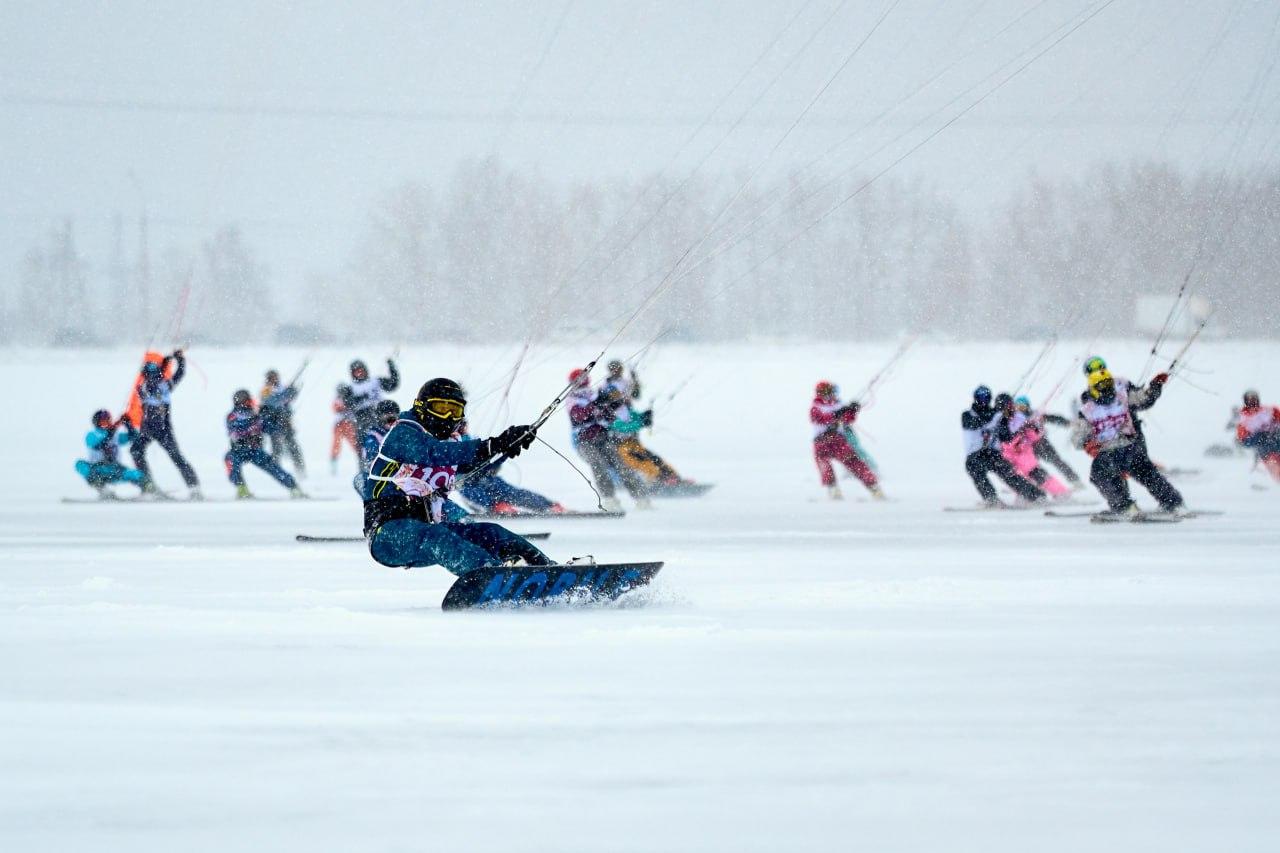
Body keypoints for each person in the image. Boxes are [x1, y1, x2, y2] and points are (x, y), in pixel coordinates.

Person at [363, 378, 552, 574]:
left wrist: (507, 446)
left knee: (491, 533)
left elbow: (475, 468)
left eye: (454, 410)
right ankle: (490, 575)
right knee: (438, 537)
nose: (447, 416)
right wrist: (491, 445)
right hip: (387, 534)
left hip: (426, 528)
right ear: (421, 407)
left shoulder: (452, 442)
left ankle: (549, 571)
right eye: (440, 408)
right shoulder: (403, 433)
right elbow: (434, 453)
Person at [1070, 368, 1183, 514]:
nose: (1107, 389)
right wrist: (1086, 443)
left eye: (1109, 385)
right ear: (1093, 388)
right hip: (1118, 450)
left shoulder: (1115, 400)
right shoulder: (1091, 409)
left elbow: (1143, 398)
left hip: (1121, 449)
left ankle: (1129, 506)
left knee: (1109, 475)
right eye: (1102, 386)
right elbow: (1077, 438)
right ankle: (1167, 503)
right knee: (1138, 473)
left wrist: (1155, 386)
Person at [567, 368, 650, 511]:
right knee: (598, 465)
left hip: (604, 439)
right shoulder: (571, 399)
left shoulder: (594, 394)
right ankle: (609, 499)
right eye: (579, 380)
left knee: (621, 466)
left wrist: (612, 404)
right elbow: (580, 415)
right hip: (584, 442)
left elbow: (610, 416)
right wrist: (597, 405)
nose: (582, 383)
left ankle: (641, 498)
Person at [129, 349, 202, 499]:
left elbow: (178, 375)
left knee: (175, 457)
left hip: (162, 430)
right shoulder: (147, 386)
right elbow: (177, 375)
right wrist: (173, 361)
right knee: (136, 451)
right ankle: (148, 486)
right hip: (149, 430)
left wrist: (178, 360)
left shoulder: (161, 385)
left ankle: (194, 489)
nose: (151, 377)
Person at [961, 385, 1044, 506]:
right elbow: (974, 424)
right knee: (975, 471)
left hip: (991, 452)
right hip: (975, 455)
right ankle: (991, 498)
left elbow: (1006, 436)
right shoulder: (968, 415)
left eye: (986, 397)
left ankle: (1036, 496)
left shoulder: (997, 415)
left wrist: (1006, 418)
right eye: (980, 397)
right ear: (975, 398)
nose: (983, 401)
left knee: (1009, 474)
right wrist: (995, 415)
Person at [225, 389, 306, 499]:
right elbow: (237, 431)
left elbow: (272, 430)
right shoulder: (233, 416)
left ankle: (294, 488)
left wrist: (274, 417)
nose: (246, 402)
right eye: (243, 400)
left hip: (255, 451)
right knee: (230, 460)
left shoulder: (257, 414)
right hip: (239, 451)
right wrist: (258, 419)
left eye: (246, 399)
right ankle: (242, 489)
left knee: (274, 468)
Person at [810, 381, 882, 500]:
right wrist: (837, 414)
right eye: (827, 392)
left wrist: (853, 410)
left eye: (832, 392)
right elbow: (821, 419)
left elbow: (848, 419)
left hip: (838, 441)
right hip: (821, 442)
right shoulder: (816, 407)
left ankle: (874, 488)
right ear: (820, 393)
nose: (830, 395)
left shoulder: (839, 405)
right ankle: (833, 490)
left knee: (855, 463)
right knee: (825, 466)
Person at [1000, 394, 1069, 498]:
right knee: (1015, 476)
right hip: (1008, 454)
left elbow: (1034, 436)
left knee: (1035, 472)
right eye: (1003, 407)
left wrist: (1030, 429)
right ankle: (1027, 496)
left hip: (1023, 452)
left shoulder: (1020, 418)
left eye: (1009, 406)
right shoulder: (998, 421)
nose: (1006, 409)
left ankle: (1060, 492)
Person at [75, 409, 149, 498]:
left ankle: (149, 491)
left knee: (136, 474)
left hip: (115, 469)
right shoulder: (92, 434)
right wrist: (110, 432)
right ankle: (102, 489)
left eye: (108, 420)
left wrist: (129, 425)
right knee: (79, 464)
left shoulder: (116, 435)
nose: (106, 423)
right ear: (97, 422)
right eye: (103, 421)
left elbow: (134, 437)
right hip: (97, 469)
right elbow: (98, 445)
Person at [1013, 395, 1081, 486]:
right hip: (1028, 448)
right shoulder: (1015, 419)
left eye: (1022, 406)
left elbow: (1052, 418)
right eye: (1017, 406)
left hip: (1042, 444)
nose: (1020, 408)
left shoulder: (1035, 415)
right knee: (1030, 468)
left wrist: (1067, 423)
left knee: (1056, 461)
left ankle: (1075, 481)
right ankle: (1030, 487)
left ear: (1027, 406)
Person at [259, 369, 305, 477]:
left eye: (275, 377)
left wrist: (293, 390)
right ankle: (277, 471)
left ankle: (300, 470)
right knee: (276, 449)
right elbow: (274, 401)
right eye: (271, 377)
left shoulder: (282, 388)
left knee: (293, 447)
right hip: (273, 423)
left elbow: (290, 397)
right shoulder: (265, 390)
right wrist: (286, 393)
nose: (274, 379)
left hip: (285, 422)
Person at [339, 357, 400, 437]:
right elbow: (348, 403)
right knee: (366, 424)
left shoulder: (375, 381)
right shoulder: (351, 388)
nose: (359, 373)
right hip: (362, 418)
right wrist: (360, 399)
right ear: (352, 373)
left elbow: (393, 385)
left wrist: (392, 367)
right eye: (356, 372)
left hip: (379, 412)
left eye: (361, 370)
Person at [353, 399, 401, 495]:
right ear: (379, 417)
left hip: (400, 476)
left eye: (393, 414)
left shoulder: (401, 432)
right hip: (379, 477)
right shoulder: (374, 435)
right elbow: (372, 456)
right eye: (386, 414)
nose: (390, 417)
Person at [1235, 389, 1280, 481]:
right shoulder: (1244, 419)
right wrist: (1259, 436)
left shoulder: (1269, 411)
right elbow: (1244, 441)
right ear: (1246, 401)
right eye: (1249, 400)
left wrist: (1274, 429)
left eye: (1254, 399)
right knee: (1275, 473)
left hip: (1277, 443)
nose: (1252, 402)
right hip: (1266, 452)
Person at [330, 385, 361, 474]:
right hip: (339, 424)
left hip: (349, 424)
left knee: (355, 444)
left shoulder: (351, 398)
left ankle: (361, 460)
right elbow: (337, 408)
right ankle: (333, 465)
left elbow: (353, 407)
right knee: (336, 445)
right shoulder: (337, 400)